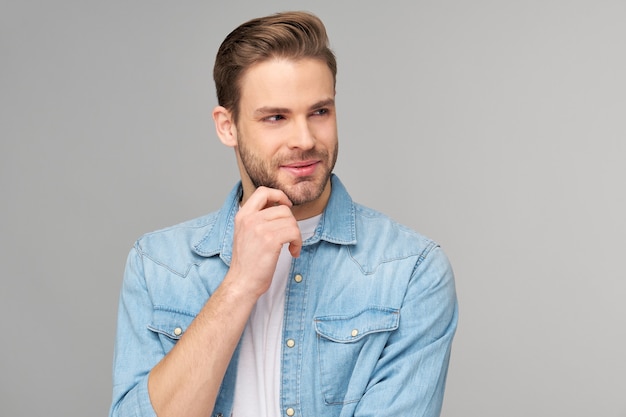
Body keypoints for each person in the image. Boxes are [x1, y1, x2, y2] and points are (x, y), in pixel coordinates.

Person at [110, 11, 458, 417]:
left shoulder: (410, 272)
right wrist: (238, 286)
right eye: (276, 117)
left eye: (320, 112)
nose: (305, 139)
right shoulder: (157, 265)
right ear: (227, 127)